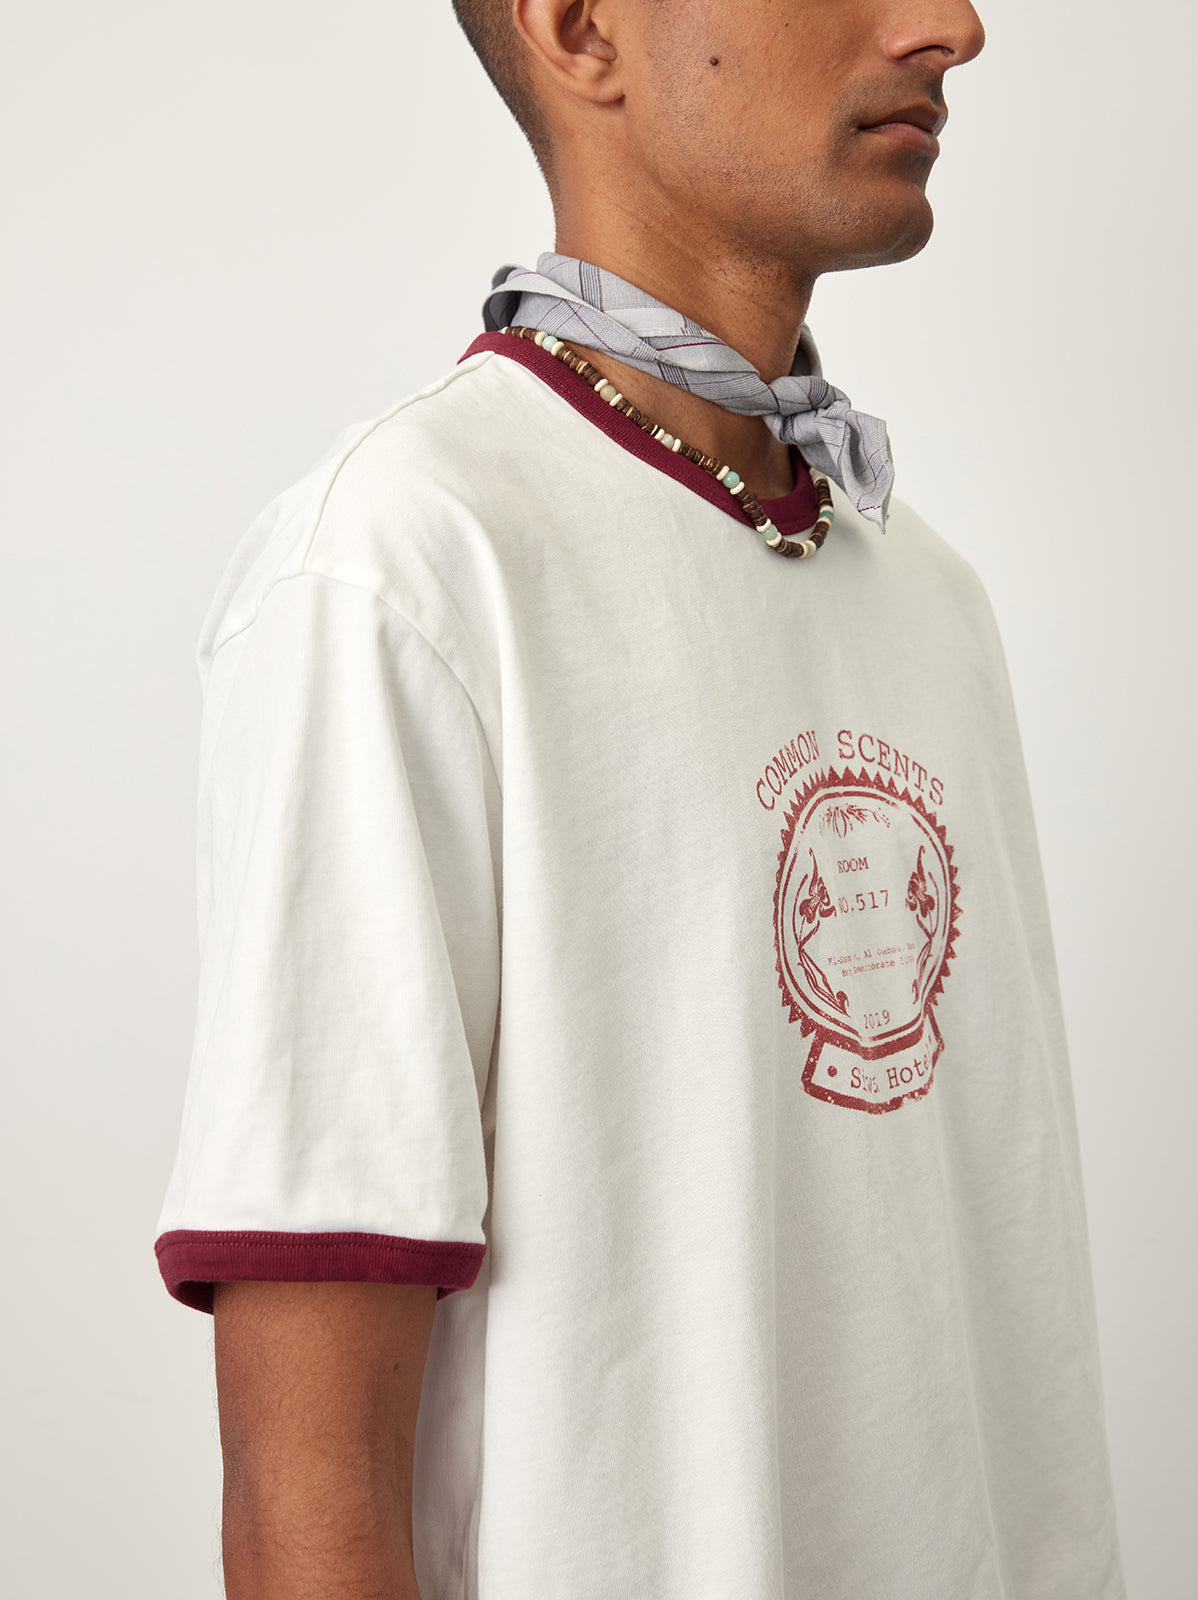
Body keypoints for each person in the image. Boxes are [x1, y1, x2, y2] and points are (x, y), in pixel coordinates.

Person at [153, 2, 1128, 1597]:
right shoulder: (400, 572)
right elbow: (308, 1494)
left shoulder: (929, 597)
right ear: (580, 27)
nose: (952, 26)